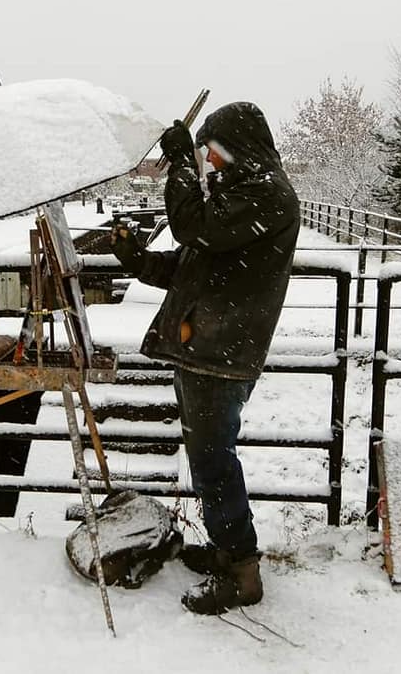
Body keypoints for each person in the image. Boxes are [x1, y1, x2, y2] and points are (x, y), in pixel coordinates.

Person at [111, 102, 299, 614]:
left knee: (214, 464)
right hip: (208, 349)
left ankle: (241, 571)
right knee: (208, 459)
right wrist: (134, 257)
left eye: (213, 154)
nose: (210, 164)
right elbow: (189, 264)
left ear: (237, 147)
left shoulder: (267, 194)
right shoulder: (243, 195)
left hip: (221, 352)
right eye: (207, 156)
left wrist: (181, 167)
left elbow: (192, 227)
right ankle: (226, 551)